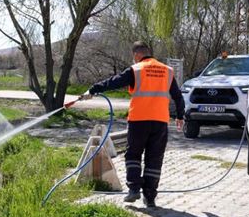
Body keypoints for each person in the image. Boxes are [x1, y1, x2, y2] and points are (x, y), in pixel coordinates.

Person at [79, 41, 185, 208]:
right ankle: (150, 197)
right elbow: (178, 96)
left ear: (137, 55)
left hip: (139, 120)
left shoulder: (136, 69)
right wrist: (180, 116)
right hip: (160, 121)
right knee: (154, 159)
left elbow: (113, 82)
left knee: (133, 155)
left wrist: (93, 90)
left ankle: (134, 189)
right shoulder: (167, 70)